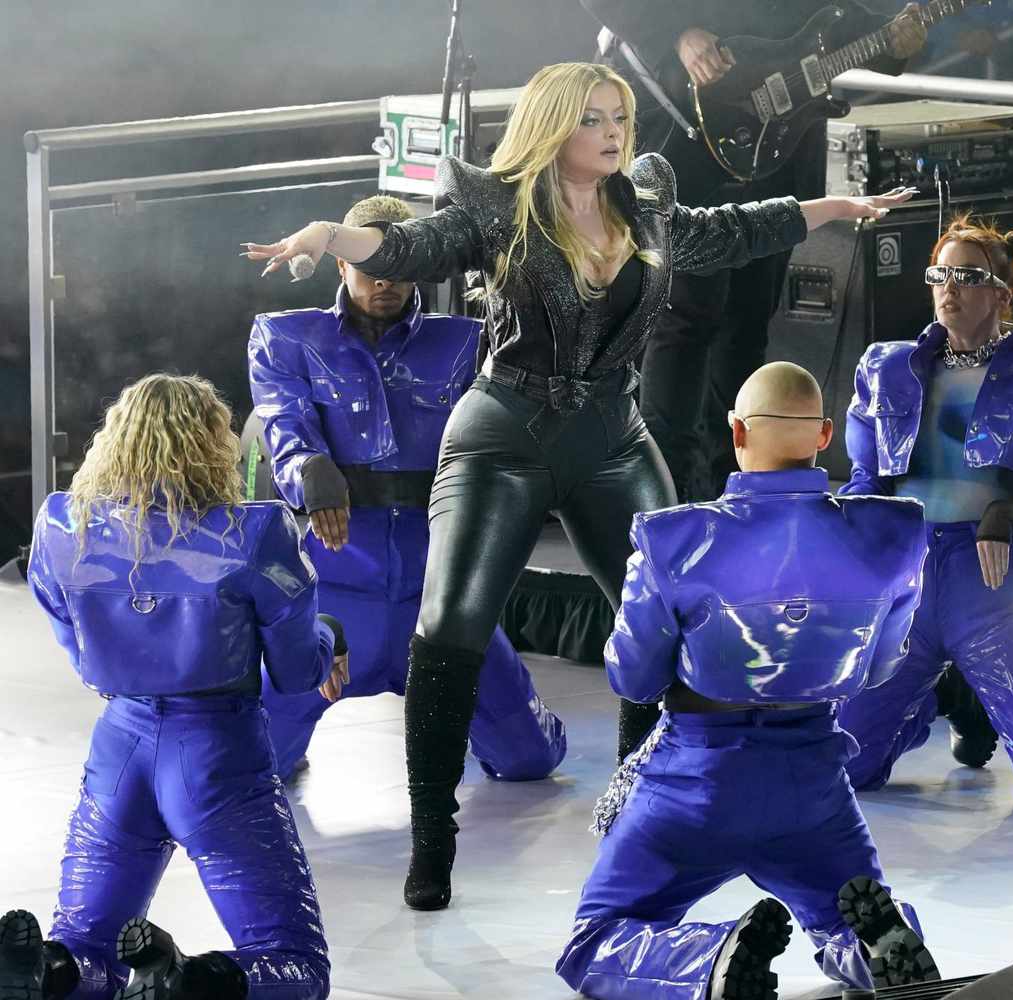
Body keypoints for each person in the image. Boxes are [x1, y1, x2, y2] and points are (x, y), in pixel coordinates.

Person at [242, 61, 913, 912]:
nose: (613, 131)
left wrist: (834, 210)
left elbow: (735, 230)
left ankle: (636, 805)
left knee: (670, 608)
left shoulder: (649, 202)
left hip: (611, 435)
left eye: (620, 117)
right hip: (503, 432)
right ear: (555, 123)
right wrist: (326, 236)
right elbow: (411, 247)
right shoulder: (498, 207)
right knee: (449, 627)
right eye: (594, 117)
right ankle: (432, 842)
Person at [556, 362, 937, 1000]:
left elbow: (633, 677)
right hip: (815, 781)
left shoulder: (673, 538)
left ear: (736, 432)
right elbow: (876, 668)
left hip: (696, 779)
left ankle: (707, 962)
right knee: (839, 912)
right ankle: (872, 947)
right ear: (823, 435)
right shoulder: (894, 535)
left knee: (595, 939)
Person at [3, 375, 335, 999]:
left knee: (81, 945)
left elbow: (79, 651)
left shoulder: (58, 525)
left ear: (115, 438)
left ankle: (47, 972)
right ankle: (187, 981)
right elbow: (296, 674)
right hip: (218, 752)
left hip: (119, 749)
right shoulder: (256, 532)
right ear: (212, 443)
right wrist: (327, 635)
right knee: (292, 961)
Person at [248, 194, 566, 785]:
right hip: (334, 596)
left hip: (441, 590)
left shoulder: (471, 341)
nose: (386, 282)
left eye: (400, 268)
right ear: (341, 262)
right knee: (249, 764)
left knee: (531, 758)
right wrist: (307, 467)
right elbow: (282, 419)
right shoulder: (287, 338)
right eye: (371, 268)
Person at [582, 0, 928, 504]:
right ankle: (665, 499)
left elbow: (830, 21)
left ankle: (736, 490)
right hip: (686, 127)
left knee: (749, 320)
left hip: (781, 143)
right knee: (684, 320)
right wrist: (678, 32)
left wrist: (890, 43)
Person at [835, 216, 1013, 798]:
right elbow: (865, 479)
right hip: (905, 581)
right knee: (843, 770)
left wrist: (1005, 514)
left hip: (992, 581)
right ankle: (942, 693)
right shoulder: (887, 370)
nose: (948, 289)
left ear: (1002, 293)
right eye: (939, 274)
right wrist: (849, 545)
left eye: (966, 276)